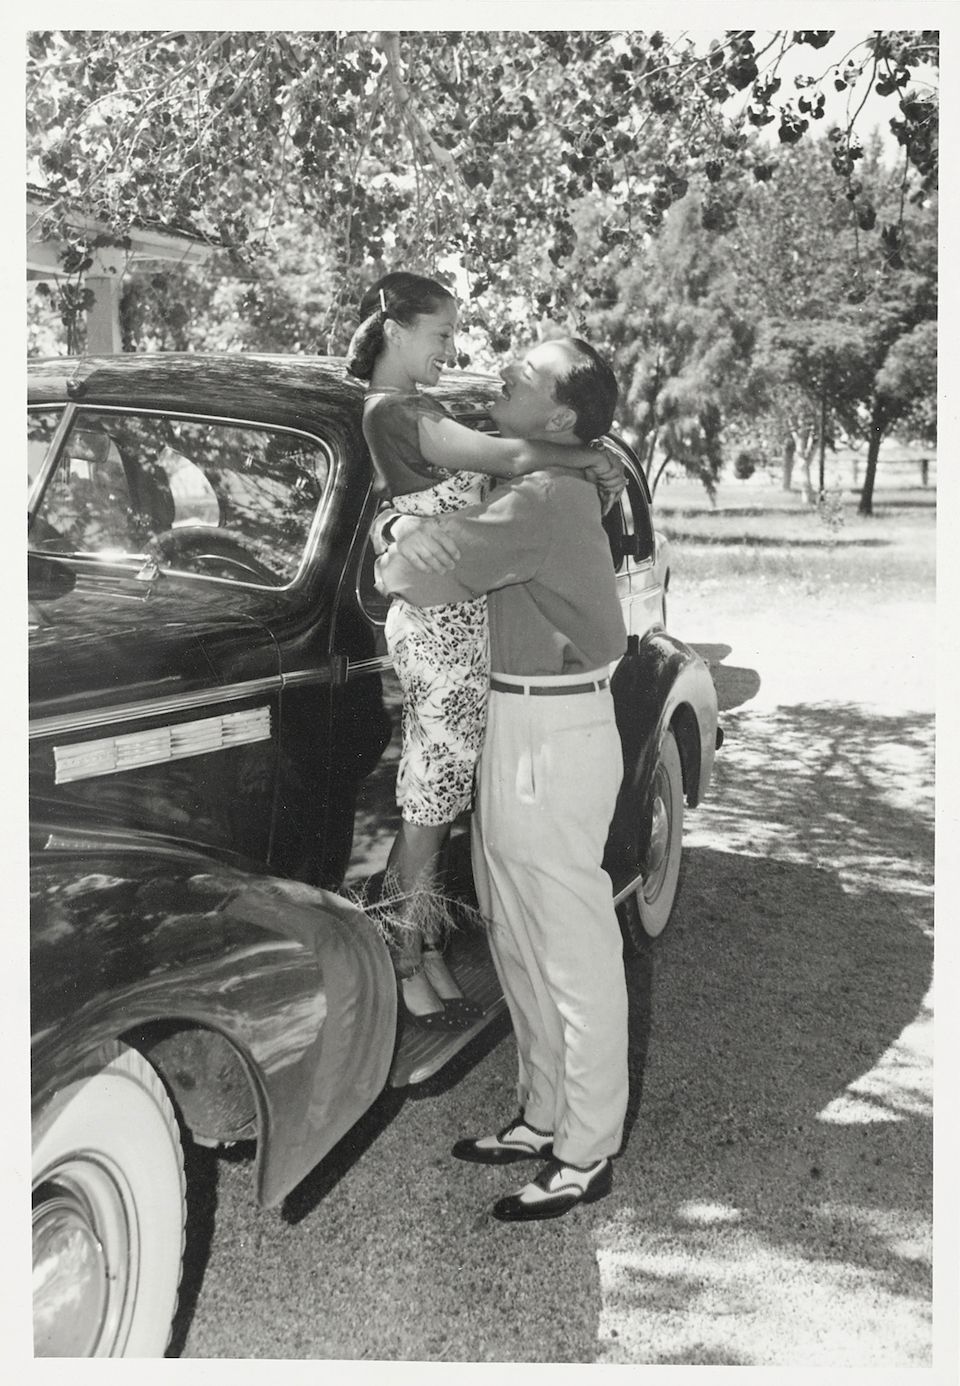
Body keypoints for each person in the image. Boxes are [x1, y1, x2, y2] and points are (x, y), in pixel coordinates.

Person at [375, 335, 630, 1220]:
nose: (505, 370)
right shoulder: (543, 479)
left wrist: (392, 532)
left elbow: (407, 575)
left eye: (525, 372)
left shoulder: (545, 497)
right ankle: (543, 1116)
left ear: (558, 413)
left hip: (552, 730)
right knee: (519, 942)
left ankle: (586, 1150)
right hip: (520, 718)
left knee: (570, 953)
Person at [347, 272, 616, 1032]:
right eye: (441, 334)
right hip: (437, 625)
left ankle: (426, 943)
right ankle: (400, 956)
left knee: (443, 796)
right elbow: (507, 457)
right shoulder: (393, 410)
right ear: (395, 331)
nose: (453, 349)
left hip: (466, 621)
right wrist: (586, 456)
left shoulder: (424, 407)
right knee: (428, 803)